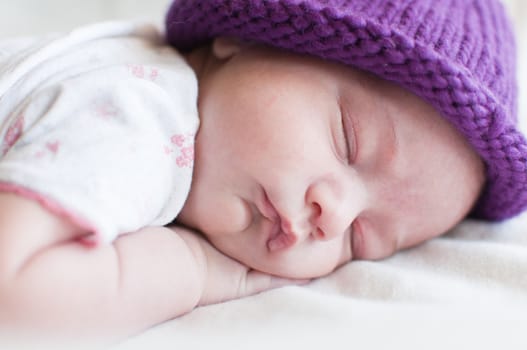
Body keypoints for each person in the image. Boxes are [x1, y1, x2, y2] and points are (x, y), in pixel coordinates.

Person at [0, 0, 525, 344]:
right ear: (244, 38)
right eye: (348, 138)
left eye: (362, 240)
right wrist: (195, 270)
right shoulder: (139, 118)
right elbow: (14, 294)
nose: (334, 216)